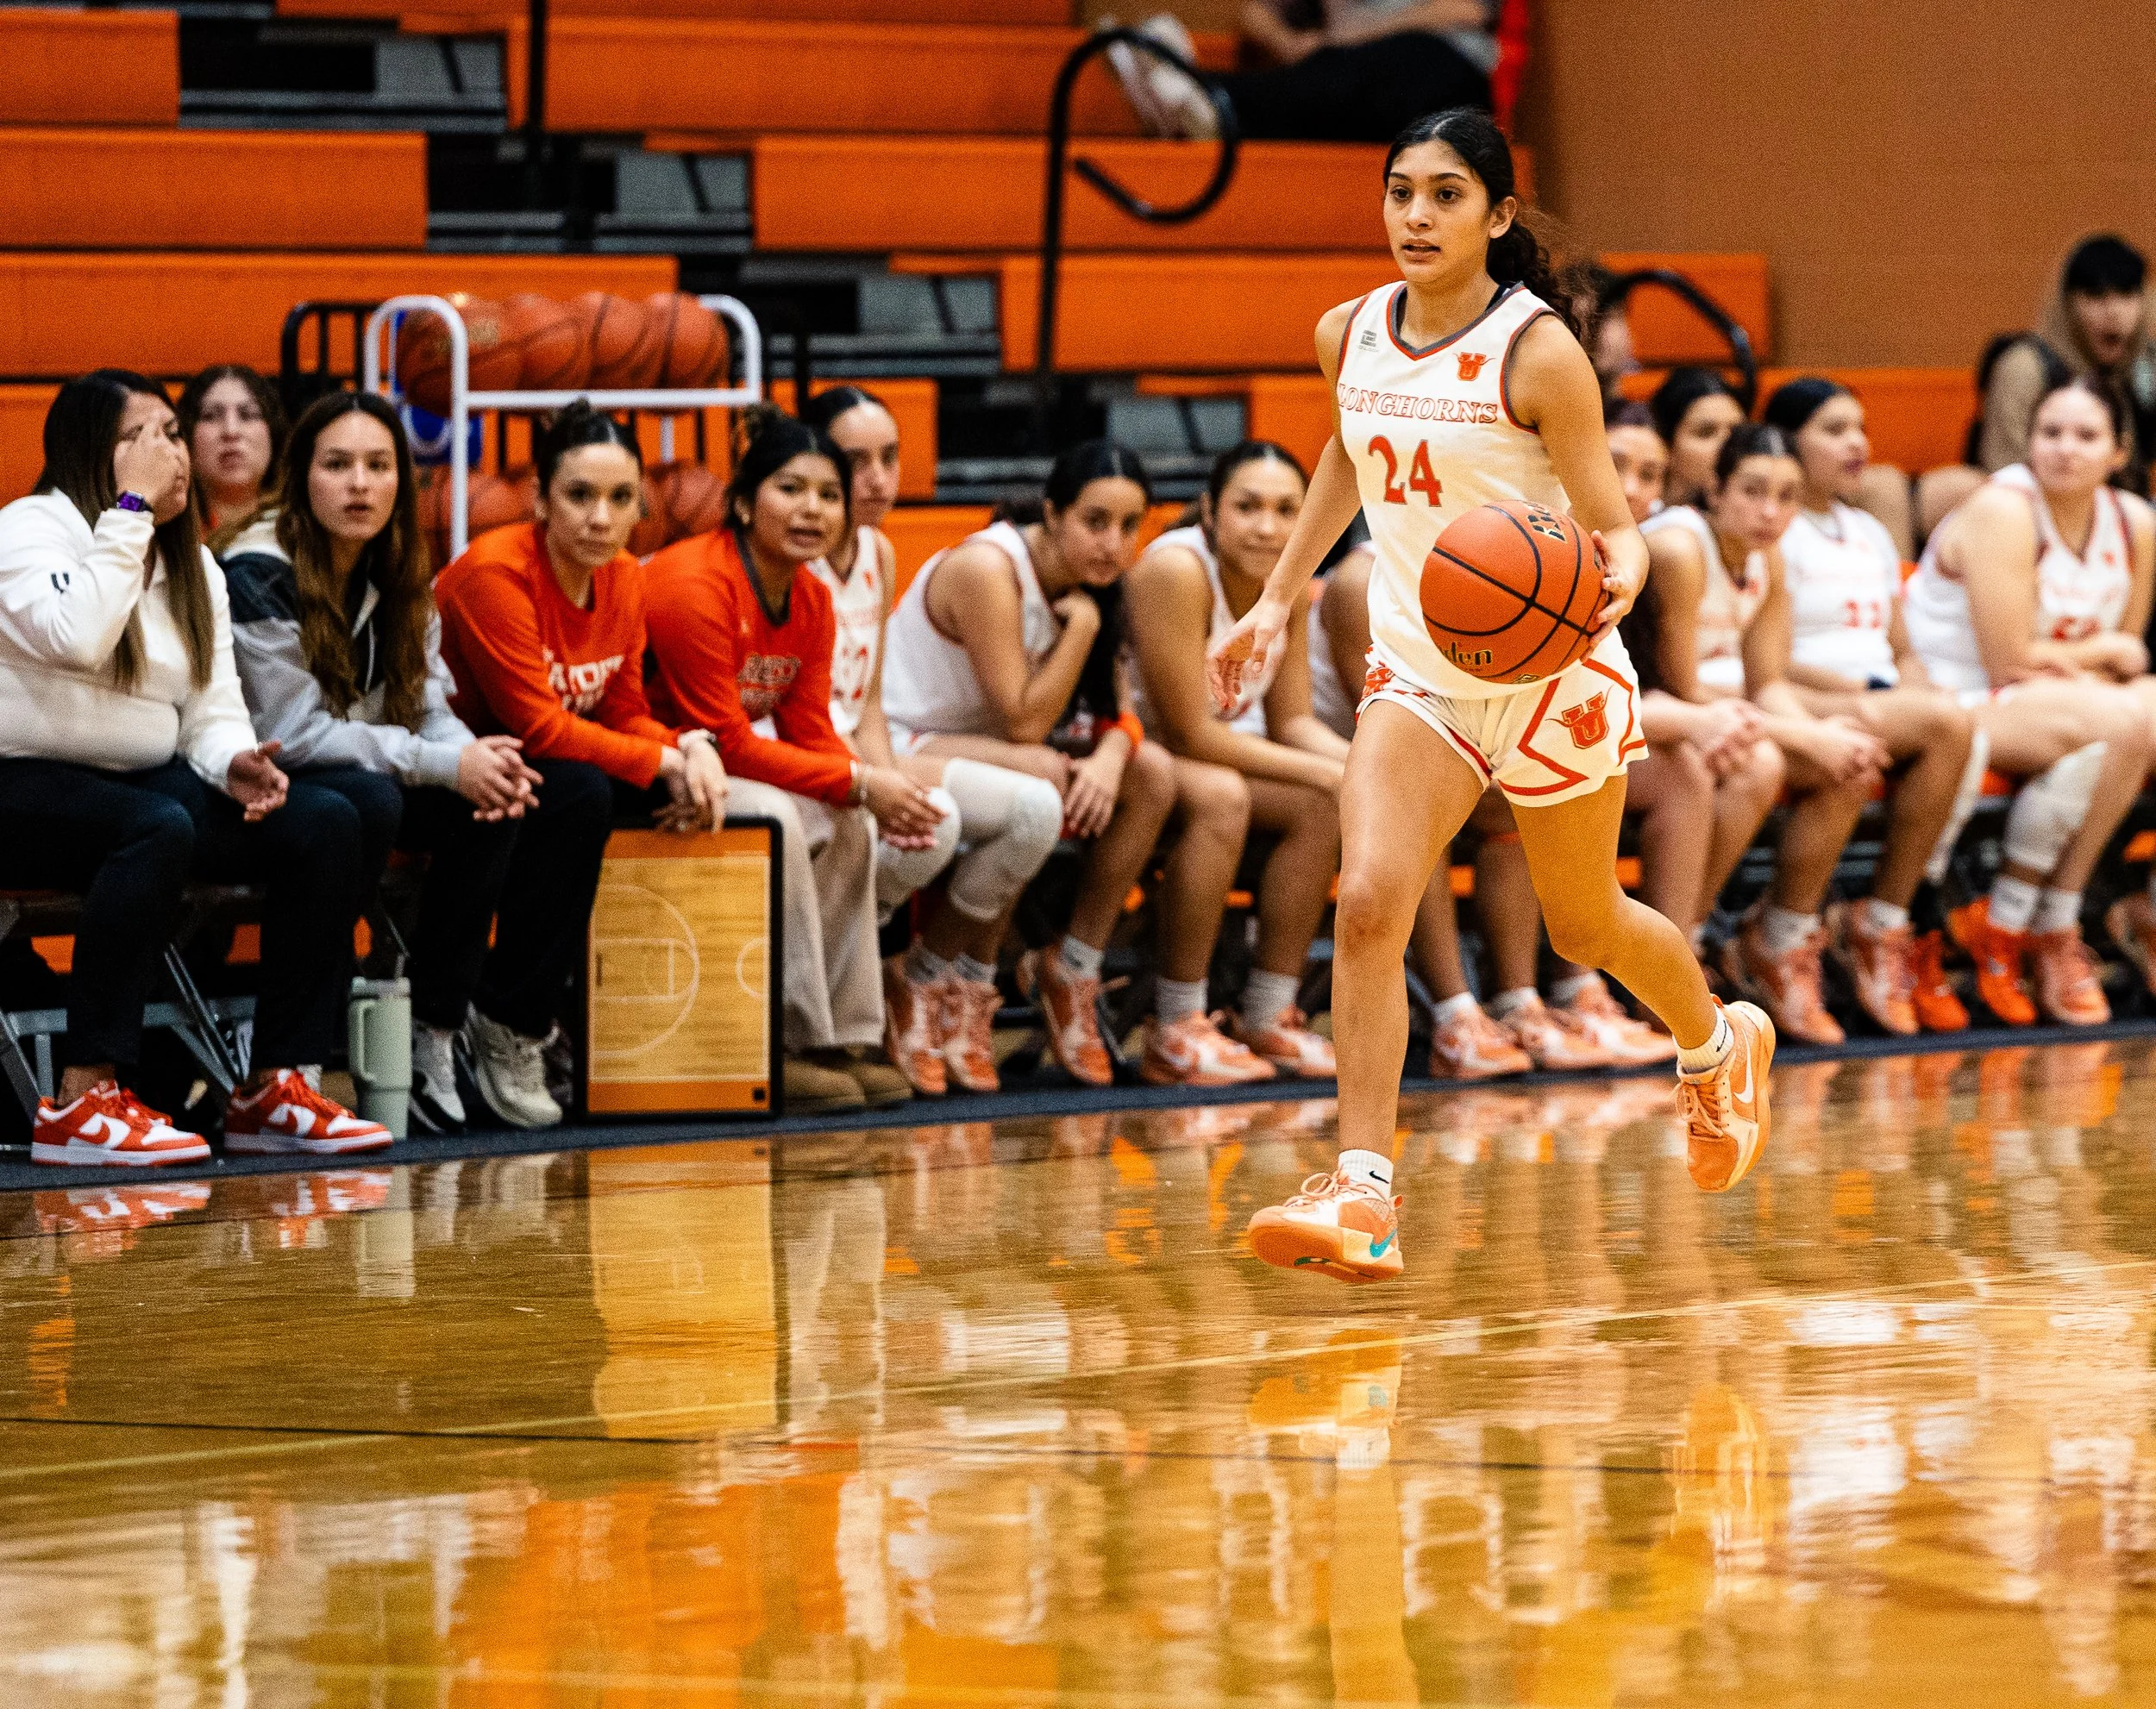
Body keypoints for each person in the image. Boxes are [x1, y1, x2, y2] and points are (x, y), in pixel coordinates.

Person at [1213, 109, 1775, 1286]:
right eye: (1400, 193)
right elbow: (1345, 455)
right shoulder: (1346, 331)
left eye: (1446, 196)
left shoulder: (1539, 352)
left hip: (1551, 668)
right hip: (1421, 667)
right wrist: (1274, 602)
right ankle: (1365, 1190)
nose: (1416, 217)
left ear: (1498, 215)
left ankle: (1716, 1042)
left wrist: (1598, 589)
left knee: (1586, 924)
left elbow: (1618, 533)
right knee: (1370, 898)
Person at [226, 391, 642, 1133]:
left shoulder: (400, 564)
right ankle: (304, 1055)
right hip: (265, 779)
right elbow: (295, 733)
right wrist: (443, 765)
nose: (360, 483)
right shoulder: (258, 567)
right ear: (301, 479)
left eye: (378, 465)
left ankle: (449, 1030)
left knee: (540, 791)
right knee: (378, 800)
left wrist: (474, 758)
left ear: (400, 479)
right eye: (338, 465)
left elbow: (427, 702)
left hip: (369, 768)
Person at [0, 371, 388, 1163]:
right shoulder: (26, 530)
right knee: (155, 825)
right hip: (22, 780)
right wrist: (131, 513)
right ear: (87, 451)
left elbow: (210, 707)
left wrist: (234, 760)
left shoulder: (197, 568)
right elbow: (76, 637)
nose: (167, 454)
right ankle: (82, 1097)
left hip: (140, 781)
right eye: (140, 439)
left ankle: (275, 1084)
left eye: (172, 436)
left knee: (325, 819)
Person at [883, 441, 1273, 1089]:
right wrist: (1086, 628)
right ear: (1053, 512)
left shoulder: (1098, 582)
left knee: (1151, 772)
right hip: (911, 744)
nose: (1113, 544)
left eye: (1130, 527)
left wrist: (1114, 754)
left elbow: (1123, 716)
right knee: (1040, 770)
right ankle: (932, 979)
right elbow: (1024, 719)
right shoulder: (990, 568)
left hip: (1000, 755)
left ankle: (1076, 965)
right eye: (1095, 522)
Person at [431, 402, 730, 1119]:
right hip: (447, 770)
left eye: (621, 498)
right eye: (580, 496)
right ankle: (512, 1018)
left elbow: (622, 709)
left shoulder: (624, 576)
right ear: (540, 500)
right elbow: (537, 725)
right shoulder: (494, 572)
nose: (601, 517)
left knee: (664, 794)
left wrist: (687, 749)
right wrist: (665, 758)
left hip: (533, 776)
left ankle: (645, 1037)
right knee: (583, 792)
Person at [1643, 423, 1978, 1042]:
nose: (1771, 511)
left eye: (1786, 496)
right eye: (1752, 491)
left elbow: (1766, 682)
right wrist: (1809, 737)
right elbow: (1688, 694)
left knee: (1843, 760)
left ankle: (1779, 942)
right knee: (1764, 765)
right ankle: (1671, 958)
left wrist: (1826, 739)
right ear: (1714, 491)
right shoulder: (1679, 551)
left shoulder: (1764, 555)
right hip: (1657, 717)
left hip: (1726, 716)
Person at [644, 408, 928, 1114]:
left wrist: (860, 790)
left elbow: (808, 727)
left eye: (828, 496)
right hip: (657, 765)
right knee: (778, 816)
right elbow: (729, 739)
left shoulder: (809, 598)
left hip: (715, 765)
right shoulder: (693, 583)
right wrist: (861, 779)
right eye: (790, 489)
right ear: (743, 503)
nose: (813, 509)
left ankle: (849, 1034)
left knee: (849, 819)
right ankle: (789, 1041)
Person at [800, 386, 1063, 1098]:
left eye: (890, 457)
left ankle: (918, 983)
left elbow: (869, 701)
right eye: (857, 462)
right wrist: (873, 787)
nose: (879, 478)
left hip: (875, 750)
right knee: (928, 826)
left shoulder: (879, 551)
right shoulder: (797, 557)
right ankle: (818, 1029)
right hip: (809, 763)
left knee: (1032, 811)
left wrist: (890, 783)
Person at [1908, 375, 2156, 1025]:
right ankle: (2048, 921)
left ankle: (2135, 908)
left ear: (2120, 452)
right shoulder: (2005, 509)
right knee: (2127, 721)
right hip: (1961, 701)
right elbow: (2011, 659)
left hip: (2066, 704)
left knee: (2134, 714)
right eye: (2050, 433)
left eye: (2085, 435)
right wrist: (2097, 655)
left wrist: (2094, 660)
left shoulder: (2135, 524)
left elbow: (2126, 657)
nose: (2064, 449)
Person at [1125, 441, 1341, 1078]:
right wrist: (1328, 770)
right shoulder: (1176, 571)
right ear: (1209, 511)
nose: (1267, 526)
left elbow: (1294, 723)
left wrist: (1359, 767)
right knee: (1227, 796)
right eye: (1247, 507)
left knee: (1328, 801)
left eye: (1285, 510)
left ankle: (1269, 1015)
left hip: (1211, 753)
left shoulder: (1291, 585)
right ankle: (1175, 1023)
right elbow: (1189, 732)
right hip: (1138, 752)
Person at [1104, 5, 1495, 145]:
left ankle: (1207, 92)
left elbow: (1466, 11)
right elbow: (1253, 13)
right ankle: (1205, 104)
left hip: (1447, 69)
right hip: (1356, 76)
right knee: (1334, 76)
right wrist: (1289, 44)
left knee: (1349, 70)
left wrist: (1355, 35)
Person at [175, 365, 284, 554]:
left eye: (248, 415)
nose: (231, 431)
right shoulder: (162, 528)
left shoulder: (299, 531)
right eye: (211, 416)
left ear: (273, 432)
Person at [1648, 367, 1745, 510]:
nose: (1726, 446)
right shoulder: (1638, 520)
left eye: (1737, 433)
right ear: (1665, 445)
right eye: (1705, 433)